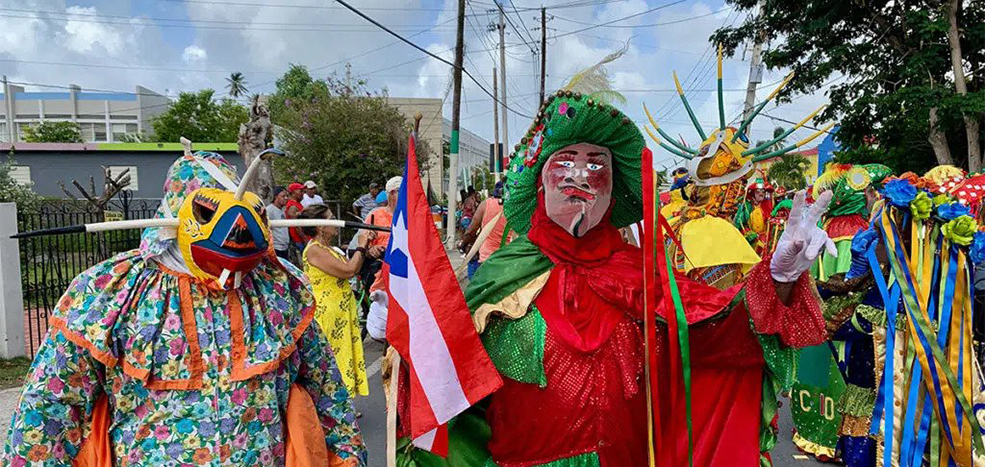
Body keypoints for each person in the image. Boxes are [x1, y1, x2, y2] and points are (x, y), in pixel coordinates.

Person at [399, 83, 831, 466]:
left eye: (595, 163)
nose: (580, 175)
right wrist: (410, 336)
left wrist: (779, 280)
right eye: (565, 160)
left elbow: (720, 336)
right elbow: (448, 387)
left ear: (613, 188)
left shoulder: (643, 275)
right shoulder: (502, 277)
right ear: (539, 182)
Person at [3, 152, 366, 466]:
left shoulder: (279, 289)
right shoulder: (110, 291)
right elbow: (51, 406)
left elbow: (327, 394)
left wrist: (348, 456)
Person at [300, 204, 382, 399]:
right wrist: (361, 245)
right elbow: (348, 271)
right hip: (328, 312)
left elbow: (351, 266)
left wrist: (366, 250)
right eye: (330, 219)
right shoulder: (314, 250)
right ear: (320, 226)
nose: (335, 223)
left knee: (344, 357)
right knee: (332, 360)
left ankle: (344, 402)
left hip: (341, 310)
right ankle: (333, 405)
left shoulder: (328, 249)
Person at [460, 181, 506, 278]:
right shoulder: (516, 207)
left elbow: (471, 231)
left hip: (488, 259)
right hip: (509, 257)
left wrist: (463, 245)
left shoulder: (486, 204)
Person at [267, 185, 291, 259]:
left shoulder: (283, 210)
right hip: (276, 248)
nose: (286, 198)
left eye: (287, 196)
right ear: (275, 197)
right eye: (283, 196)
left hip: (284, 247)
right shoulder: (269, 210)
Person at [286, 182, 306, 255]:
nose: (303, 193)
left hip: (300, 239)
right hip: (298, 240)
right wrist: (305, 239)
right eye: (300, 191)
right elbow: (296, 225)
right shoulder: (292, 206)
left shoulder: (297, 204)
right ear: (294, 192)